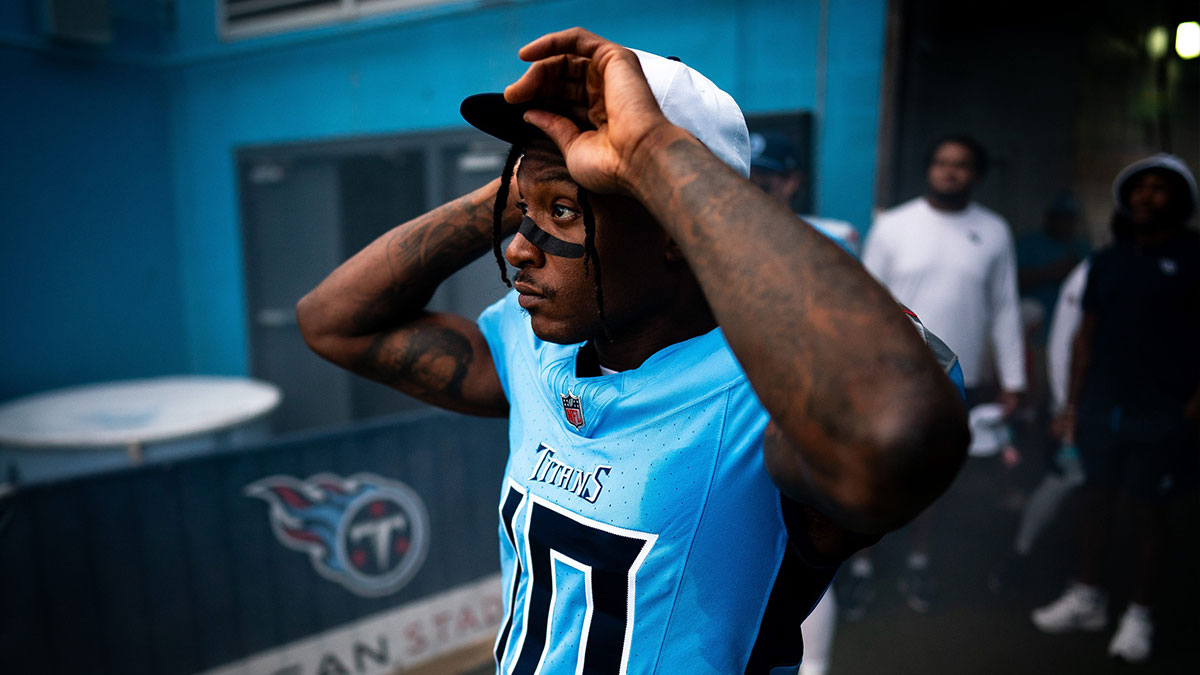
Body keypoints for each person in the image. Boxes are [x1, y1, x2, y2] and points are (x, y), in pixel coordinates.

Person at [297, 28, 969, 673]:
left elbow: (895, 435)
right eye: (528, 212)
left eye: (563, 212)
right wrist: (531, 177)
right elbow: (331, 321)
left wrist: (650, 150)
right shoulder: (535, 344)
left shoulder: (766, 396)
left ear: (675, 228)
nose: (519, 248)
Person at [842, 134, 1026, 616]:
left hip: (958, 384)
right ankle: (860, 571)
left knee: (933, 477)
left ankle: (919, 563)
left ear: (976, 175)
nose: (949, 171)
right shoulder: (894, 226)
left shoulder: (994, 230)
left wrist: (1014, 380)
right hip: (892, 377)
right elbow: (865, 301)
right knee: (875, 473)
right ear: (929, 168)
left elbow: (1005, 307)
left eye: (961, 165)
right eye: (941, 162)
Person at [1031, 154, 1200, 664]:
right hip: (1103, 406)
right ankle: (1087, 597)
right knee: (1094, 500)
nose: (1146, 196)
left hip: (1164, 411)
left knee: (1149, 513)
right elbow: (1086, 339)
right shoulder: (1106, 261)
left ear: (1181, 201)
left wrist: (1192, 412)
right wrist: (1071, 406)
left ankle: (1140, 614)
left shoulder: (1195, 258)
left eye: (1159, 188)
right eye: (1138, 188)